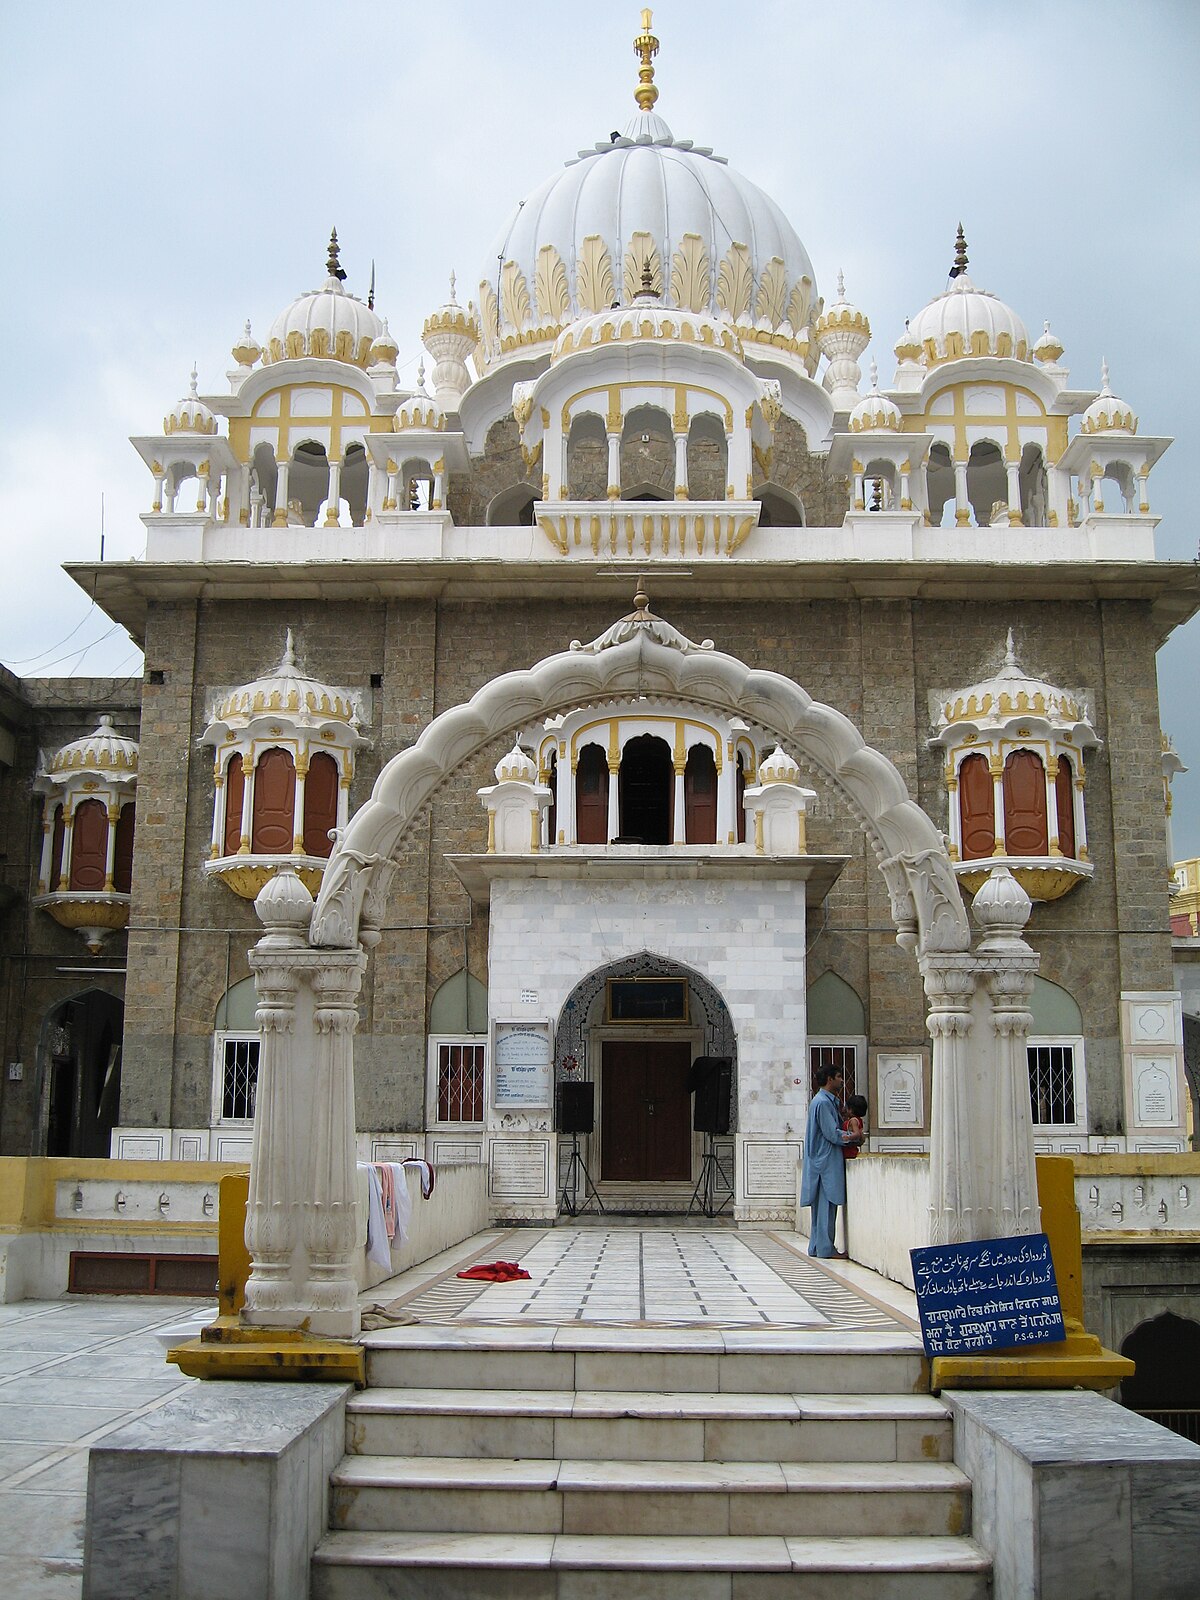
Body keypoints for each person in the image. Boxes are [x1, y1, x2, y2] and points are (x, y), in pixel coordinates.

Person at [799, 1064, 864, 1257]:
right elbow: (831, 1134)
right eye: (838, 1077)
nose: (841, 1081)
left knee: (821, 1209)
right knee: (826, 1208)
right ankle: (826, 1249)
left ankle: (817, 1247)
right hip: (825, 1163)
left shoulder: (822, 1101)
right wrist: (855, 1136)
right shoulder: (823, 1103)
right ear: (829, 1079)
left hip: (821, 1162)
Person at [842, 1094, 868, 1159]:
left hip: (849, 1152)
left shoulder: (853, 1121)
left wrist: (848, 1137)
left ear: (850, 1110)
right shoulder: (859, 1120)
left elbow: (857, 1134)